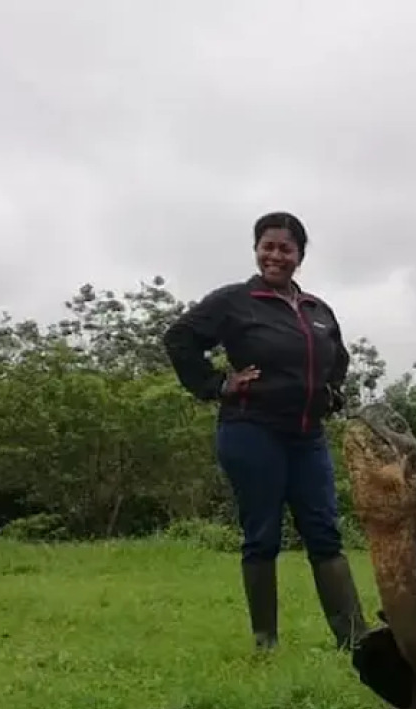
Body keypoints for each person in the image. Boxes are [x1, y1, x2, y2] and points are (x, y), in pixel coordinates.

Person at [162, 210, 368, 652]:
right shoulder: (234, 301)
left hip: (308, 437)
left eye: (285, 248)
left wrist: (330, 391)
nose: (275, 255)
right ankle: (265, 643)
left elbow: (338, 357)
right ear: (257, 250)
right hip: (251, 431)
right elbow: (179, 338)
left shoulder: (317, 309)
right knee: (263, 535)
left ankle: (356, 641)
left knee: (325, 532)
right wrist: (217, 384)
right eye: (267, 246)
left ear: (300, 255)